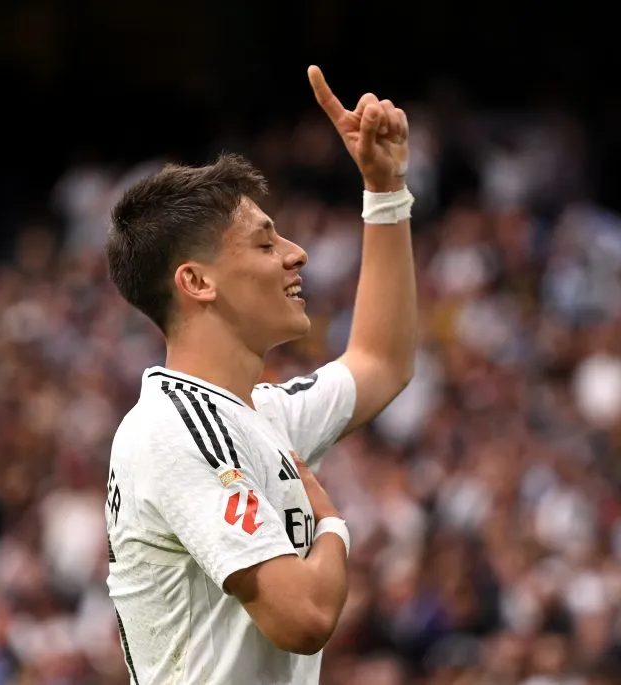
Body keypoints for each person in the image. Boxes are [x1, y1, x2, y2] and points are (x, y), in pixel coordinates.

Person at [102, 65, 418, 684]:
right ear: (196, 281)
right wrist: (331, 524)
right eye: (266, 243)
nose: (296, 252)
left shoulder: (254, 415)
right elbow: (303, 615)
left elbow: (382, 361)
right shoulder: (176, 429)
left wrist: (385, 192)